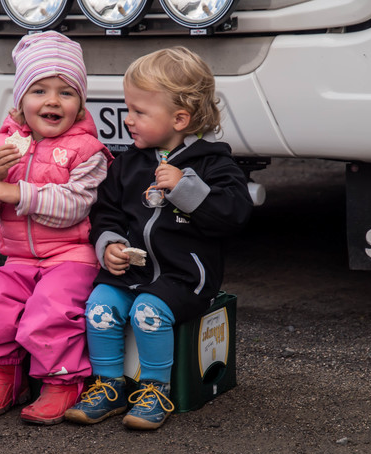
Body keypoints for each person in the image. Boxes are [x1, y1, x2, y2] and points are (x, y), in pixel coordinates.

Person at [65, 46, 253, 430]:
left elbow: (234, 215)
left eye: (139, 112)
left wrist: (186, 189)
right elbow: (107, 211)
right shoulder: (130, 161)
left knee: (148, 313)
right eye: (127, 108)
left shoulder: (214, 164)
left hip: (186, 277)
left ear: (180, 118)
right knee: (99, 306)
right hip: (135, 271)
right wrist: (110, 244)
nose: (128, 119)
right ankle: (109, 384)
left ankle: (155, 390)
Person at [0, 31, 113, 425]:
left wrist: (15, 190)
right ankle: (5, 376)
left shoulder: (86, 152)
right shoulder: (2, 148)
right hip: (19, 261)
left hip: (70, 259)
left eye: (66, 92)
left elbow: (75, 205)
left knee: (51, 311)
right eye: (39, 90)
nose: (52, 101)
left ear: (80, 106)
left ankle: (62, 383)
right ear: (20, 102)